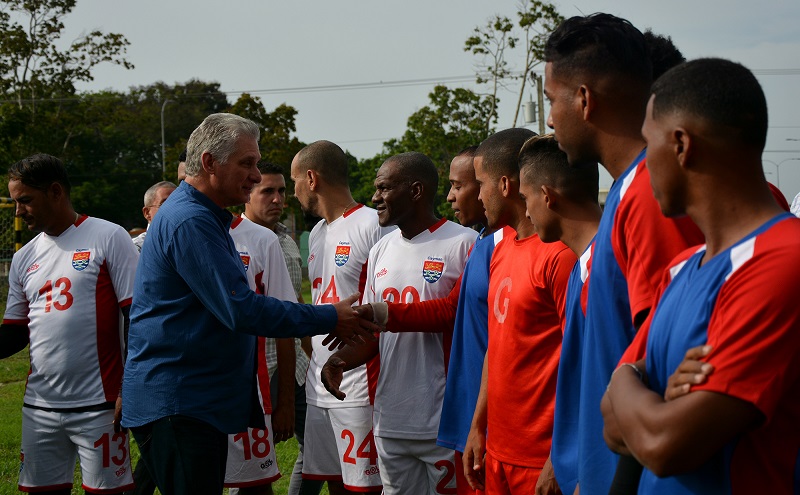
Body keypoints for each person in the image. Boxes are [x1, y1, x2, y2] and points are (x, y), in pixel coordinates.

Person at [121, 113, 377, 495]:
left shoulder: (206, 218)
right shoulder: (190, 220)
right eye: (247, 163)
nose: (257, 176)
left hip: (194, 401)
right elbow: (241, 308)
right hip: (179, 402)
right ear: (209, 163)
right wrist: (329, 316)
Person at [602, 58, 800, 493]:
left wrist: (633, 383)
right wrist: (632, 384)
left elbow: (665, 444)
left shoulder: (784, 259)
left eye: (646, 144)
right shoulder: (681, 268)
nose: (643, 162)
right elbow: (612, 424)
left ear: (681, 145)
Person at [543, 14, 704, 494]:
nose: (550, 118)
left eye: (553, 100)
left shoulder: (652, 197)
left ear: (585, 100)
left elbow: (671, 365)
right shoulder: (627, 192)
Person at [322, 152, 477, 494]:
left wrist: (383, 314)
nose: (375, 197)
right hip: (390, 419)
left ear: (416, 191)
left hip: (442, 420)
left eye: (384, 188)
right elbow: (374, 332)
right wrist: (340, 360)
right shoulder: (381, 250)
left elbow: (455, 317)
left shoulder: (464, 244)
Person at [0, 153, 140, 494]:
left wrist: (129, 386)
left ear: (56, 191)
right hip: (40, 408)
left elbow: (135, 316)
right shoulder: (24, 257)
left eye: (25, 201)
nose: (18, 211)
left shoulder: (109, 236)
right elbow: (15, 332)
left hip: (101, 407)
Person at [462, 129, 576, 494]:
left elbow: (582, 362)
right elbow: (498, 346)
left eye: (480, 184)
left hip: (541, 459)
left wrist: (560, 457)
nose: (477, 195)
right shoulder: (501, 248)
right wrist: (479, 425)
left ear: (506, 185)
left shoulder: (560, 256)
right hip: (498, 450)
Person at [290, 140, 390, 495]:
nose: (294, 190)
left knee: (364, 486)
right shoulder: (316, 233)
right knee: (332, 481)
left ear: (312, 178)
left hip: (358, 384)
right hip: (320, 384)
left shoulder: (373, 225)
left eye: (295, 181)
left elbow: (385, 308)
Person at [516, 135, 602, 495]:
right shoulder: (580, 269)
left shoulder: (608, 269)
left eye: (525, 199)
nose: (526, 212)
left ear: (547, 196)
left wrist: (591, 471)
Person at [243, 160, 313, 495]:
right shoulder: (231, 238)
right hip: (255, 372)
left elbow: (295, 306)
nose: (277, 199)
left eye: (282, 191)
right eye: (267, 191)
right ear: (247, 194)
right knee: (251, 468)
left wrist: (311, 355)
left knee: (316, 447)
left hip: (296, 366)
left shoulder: (286, 240)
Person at [226, 192, 300, 494]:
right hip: (191, 391)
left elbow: (286, 321)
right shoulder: (178, 230)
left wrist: (284, 402)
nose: (277, 199)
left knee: (254, 485)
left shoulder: (261, 240)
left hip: (250, 389)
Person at [132, 181, 177, 251]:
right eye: (165, 204)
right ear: (147, 213)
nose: (174, 208)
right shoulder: (136, 248)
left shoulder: (190, 241)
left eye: (178, 203)